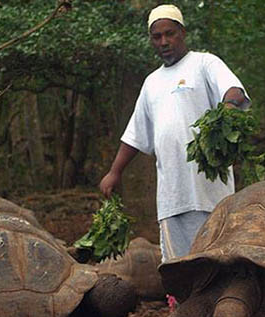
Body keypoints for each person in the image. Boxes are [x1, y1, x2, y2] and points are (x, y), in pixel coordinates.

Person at [100, 4, 250, 265]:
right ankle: (181, 307)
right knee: (178, 266)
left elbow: (234, 89)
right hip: (172, 196)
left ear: (183, 33)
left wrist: (228, 106)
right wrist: (115, 172)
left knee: (217, 261)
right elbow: (135, 134)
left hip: (209, 191)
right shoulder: (152, 83)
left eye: (170, 34)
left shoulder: (204, 63)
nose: (164, 42)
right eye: (157, 37)